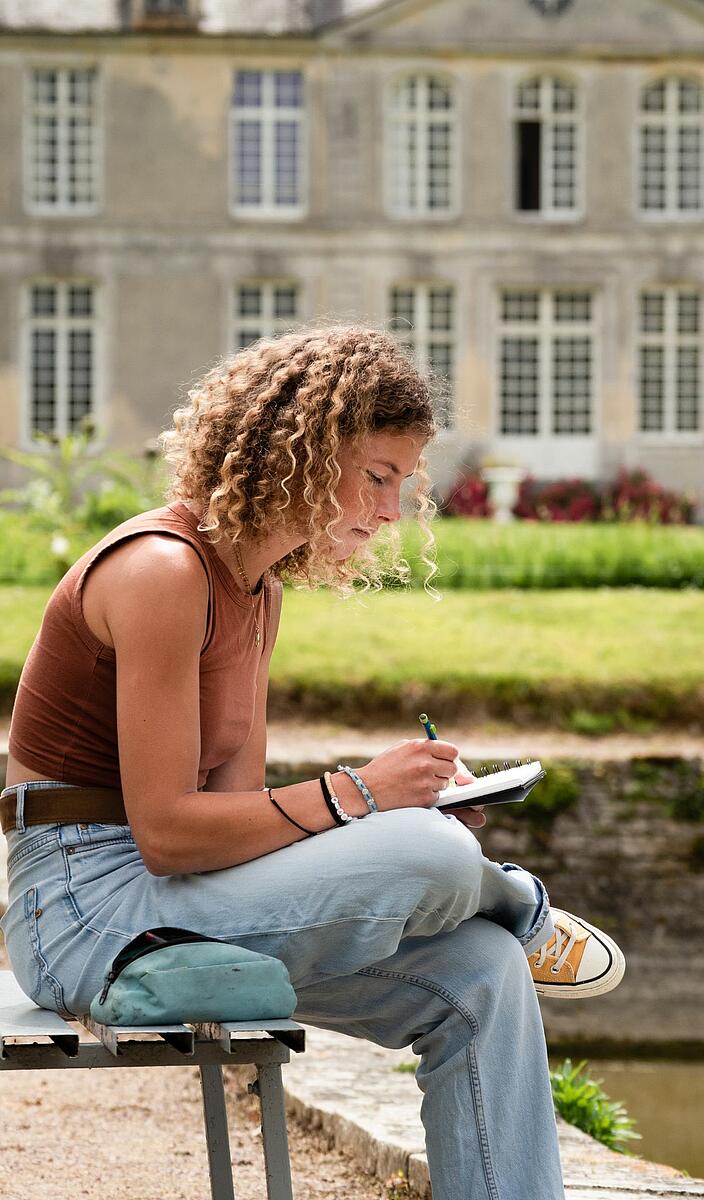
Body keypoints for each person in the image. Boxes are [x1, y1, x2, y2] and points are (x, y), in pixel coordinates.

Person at [1, 326, 623, 1200]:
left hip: (174, 900)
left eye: (404, 483)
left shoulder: (257, 592)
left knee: (481, 971)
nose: (392, 510)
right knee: (438, 856)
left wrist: (389, 806)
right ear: (300, 453)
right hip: (82, 911)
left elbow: (233, 832)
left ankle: (503, 927)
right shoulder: (161, 571)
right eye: (377, 476)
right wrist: (364, 796)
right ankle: (521, 906)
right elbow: (170, 834)